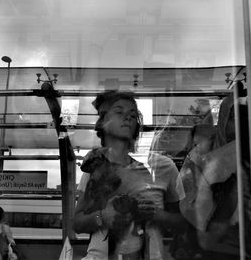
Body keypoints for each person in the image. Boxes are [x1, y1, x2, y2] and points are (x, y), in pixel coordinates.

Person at [73, 90, 185, 260]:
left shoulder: (163, 167)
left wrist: (156, 214)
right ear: (103, 122)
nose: (128, 117)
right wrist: (103, 217)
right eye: (119, 112)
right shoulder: (96, 167)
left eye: (133, 115)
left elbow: (183, 223)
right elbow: (77, 223)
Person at [172, 93, 251, 260]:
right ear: (222, 120)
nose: (238, 125)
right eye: (232, 117)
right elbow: (189, 206)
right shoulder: (201, 156)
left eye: (244, 118)